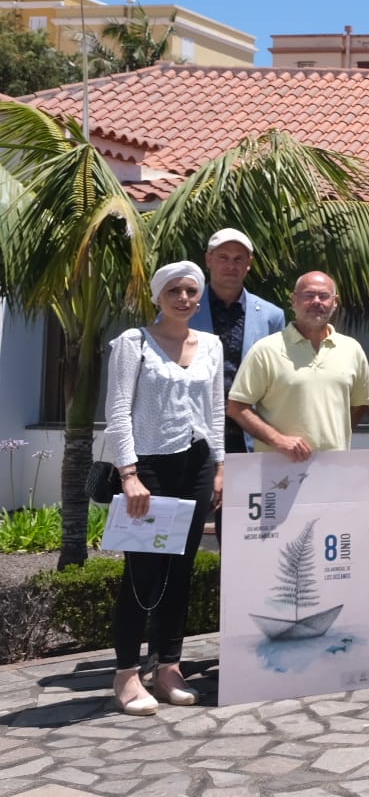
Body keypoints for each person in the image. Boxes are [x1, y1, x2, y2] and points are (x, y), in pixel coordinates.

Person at [104, 262, 225, 715]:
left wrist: (219, 468)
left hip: (195, 467)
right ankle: (126, 674)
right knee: (142, 575)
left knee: (180, 572)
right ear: (158, 296)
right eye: (174, 290)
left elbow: (214, 412)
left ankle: (169, 667)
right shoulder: (133, 343)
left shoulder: (209, 345)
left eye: (192, 290)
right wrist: (129, 474)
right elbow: (118, 411)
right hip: (148, 468)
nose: (184, 298)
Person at [227, 271, 369, 460]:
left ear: (335, 302)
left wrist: (335, 435)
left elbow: (361, 403)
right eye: (309, 295)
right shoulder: (266, 350)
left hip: (334, 468)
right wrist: (278, 440)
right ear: (293, 300)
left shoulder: (352, 349)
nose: (316, 302)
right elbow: (236, 407)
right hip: (279, 469)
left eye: (324, 296)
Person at [189, 228, 285, 456]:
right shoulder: (182, 310)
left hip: (249, 435)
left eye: (238, 259)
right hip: (193, 435)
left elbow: (279, 376)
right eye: (223, 257)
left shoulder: (271, 316)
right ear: (208, 259)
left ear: (248, 264)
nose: (231, 266)